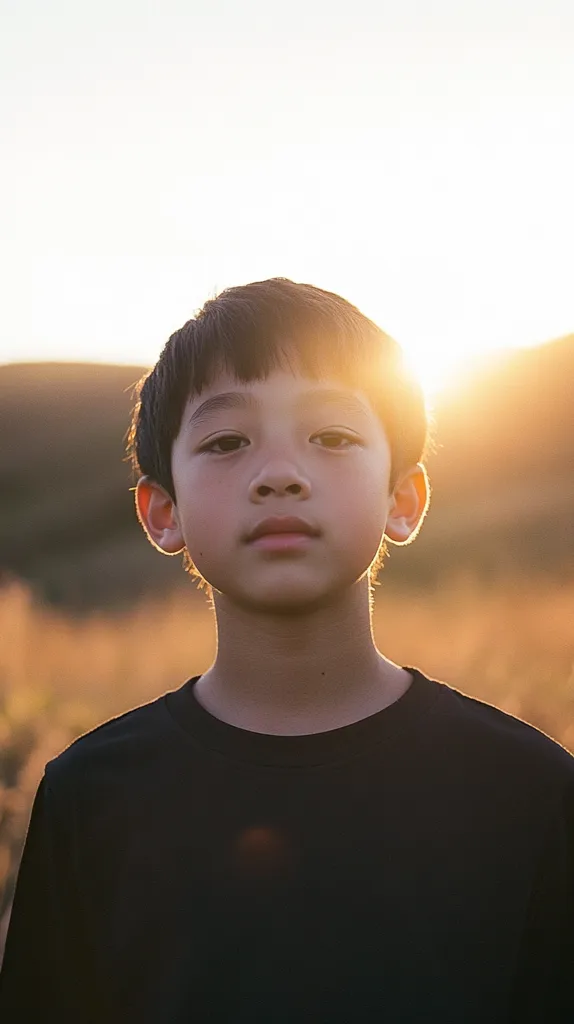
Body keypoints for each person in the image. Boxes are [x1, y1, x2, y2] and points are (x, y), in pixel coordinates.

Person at [0, 278, 572, 1022]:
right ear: (162, 511)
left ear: (403, 500)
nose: (279, 474)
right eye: (226, 442)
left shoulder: (528, 789)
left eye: (331, 438)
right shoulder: (89, 796)